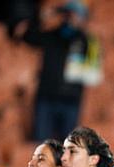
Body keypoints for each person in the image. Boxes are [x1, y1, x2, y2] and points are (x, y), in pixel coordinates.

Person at [16, 1, 97, 141]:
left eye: (74, 15)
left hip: (71, 101)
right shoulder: (52, 36)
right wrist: (41, 18)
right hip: (46, 98)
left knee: (68, 146)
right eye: (67, 14)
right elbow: (28, 36)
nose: (70, 18)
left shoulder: (87, 41)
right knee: (41, 145)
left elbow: (93, 74)